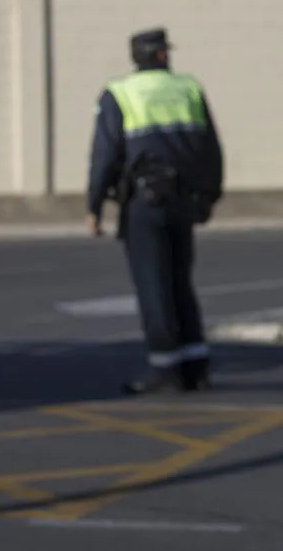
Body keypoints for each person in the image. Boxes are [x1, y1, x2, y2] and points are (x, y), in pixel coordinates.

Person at [86, 28, 224, 395]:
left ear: (137, 57)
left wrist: (94, 206)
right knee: (181, 283)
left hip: (143, 204)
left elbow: (105, 155)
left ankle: (165, 367)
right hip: (184, 201)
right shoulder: (189, 88)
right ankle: (196, 366)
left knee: (153, 286)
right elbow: (211, 147)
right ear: (162, 55)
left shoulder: (120, 93)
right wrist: (209, 197)